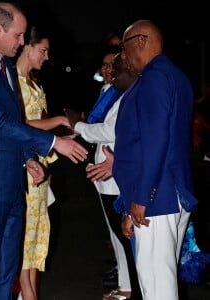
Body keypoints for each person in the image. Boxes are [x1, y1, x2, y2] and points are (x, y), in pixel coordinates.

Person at [0, 3, 87, 300]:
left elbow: (14, 121)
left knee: (6, 268)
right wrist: (53, 143)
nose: (20, 41)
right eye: (18, 35)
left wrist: (29, 157)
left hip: (14, 183)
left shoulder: (4, 68)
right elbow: (1, 123)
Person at [112, 20, 198, 300]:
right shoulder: (175, 76)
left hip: (157, 198)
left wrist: (141, 199)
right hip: (164, 194)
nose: (123, 56)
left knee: (157, 286)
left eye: (124, 47)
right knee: (160, 278)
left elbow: (156, 141)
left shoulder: (153, 78)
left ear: (140, 40)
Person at [66, 52, 142, 300]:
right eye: (106, 64)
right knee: (116, 235)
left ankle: (132, 289)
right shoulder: (109, 92)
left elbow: (109, 130)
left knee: (125, 237)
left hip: (117, 174)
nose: (111, 69)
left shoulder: (127, 95)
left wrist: (77, 125)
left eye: (116, 64)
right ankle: (126, 285)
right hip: (106, 173)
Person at [15, 24, 71, 300]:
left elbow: (41, 126)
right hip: (22, 168)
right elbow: (20, 125)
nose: (46, 57)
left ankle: (31, 295)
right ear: (27, 46)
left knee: (37, 239)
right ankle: (28, 295)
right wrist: (57, 121)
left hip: (39, 166)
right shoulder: (11, 81)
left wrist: (49, 158)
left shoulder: (33, 83)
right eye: (43, 50)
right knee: (25, 240)